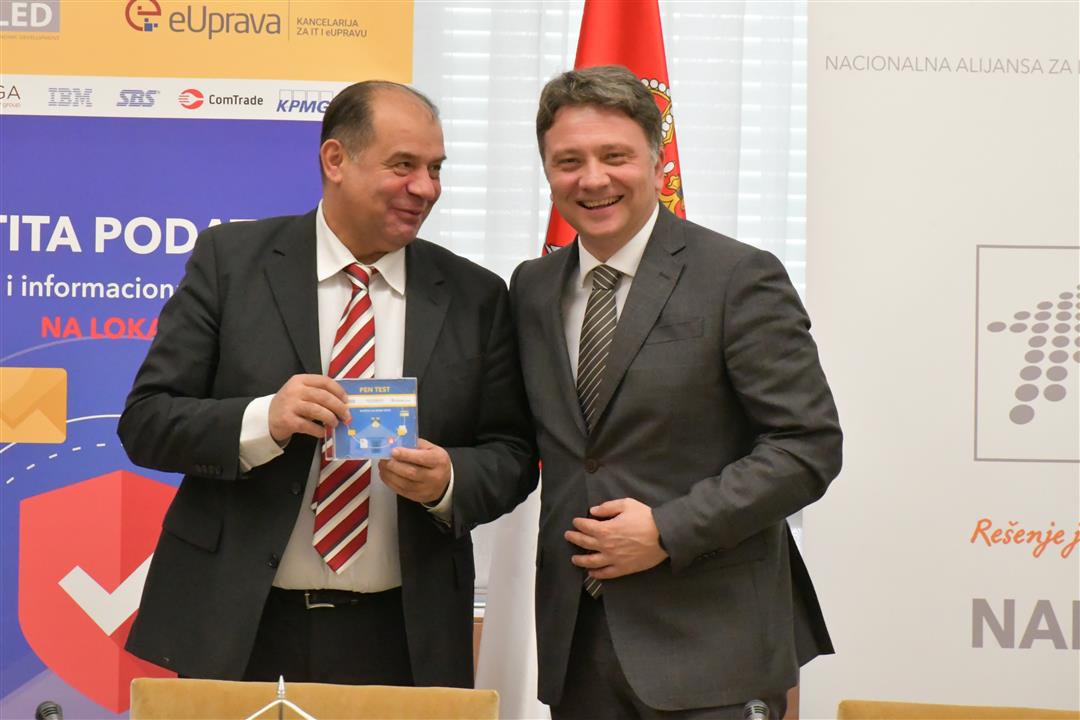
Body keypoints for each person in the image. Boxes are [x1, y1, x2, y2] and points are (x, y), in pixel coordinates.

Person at [119, 80, 536, 687]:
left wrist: (449, 481)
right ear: (336, 160)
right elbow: (147, 422)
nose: (426, 188)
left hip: (403, 634)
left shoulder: (476, 295)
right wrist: (263, 420)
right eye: (403, 165)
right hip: (241, 626)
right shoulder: (231, 262)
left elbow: (514, 453)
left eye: (435, 169)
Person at [509, 65, 843, 719]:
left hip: (713, 647)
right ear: (548, 171)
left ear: (658, 164)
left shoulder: (738, 277)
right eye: (569, 161)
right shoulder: (532, 287)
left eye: (615, 156)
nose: (593, 179)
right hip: (578, 648)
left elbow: (807, 447)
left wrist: (667, 530)